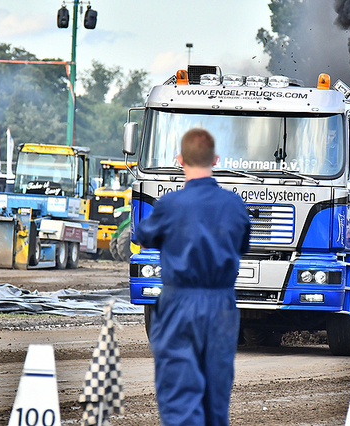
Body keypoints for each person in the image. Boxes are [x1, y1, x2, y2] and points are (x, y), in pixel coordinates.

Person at [135, 128, 250, 426]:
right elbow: (242, 245)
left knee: (180, 395)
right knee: (216, 397)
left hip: (180, 303)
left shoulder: (170, 205)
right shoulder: (235, 205)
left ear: (180, 160)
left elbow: (143, 237)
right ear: (216, 159)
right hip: (222, 305)